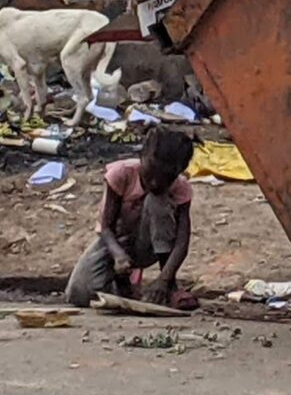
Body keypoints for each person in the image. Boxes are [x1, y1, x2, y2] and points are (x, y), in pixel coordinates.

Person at [65, 127, 196, 308]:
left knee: (156, 200)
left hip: (153, 244)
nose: (155, 182)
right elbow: (106, 227)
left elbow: (182, 242)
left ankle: (170, 287)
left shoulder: (181, 189)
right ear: (142, 157)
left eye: (167, 177)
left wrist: (164, 279)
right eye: (151, 172)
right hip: (117, 242)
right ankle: (123, 285)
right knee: (78, 293)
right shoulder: (122, 173)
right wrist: (118, 255)